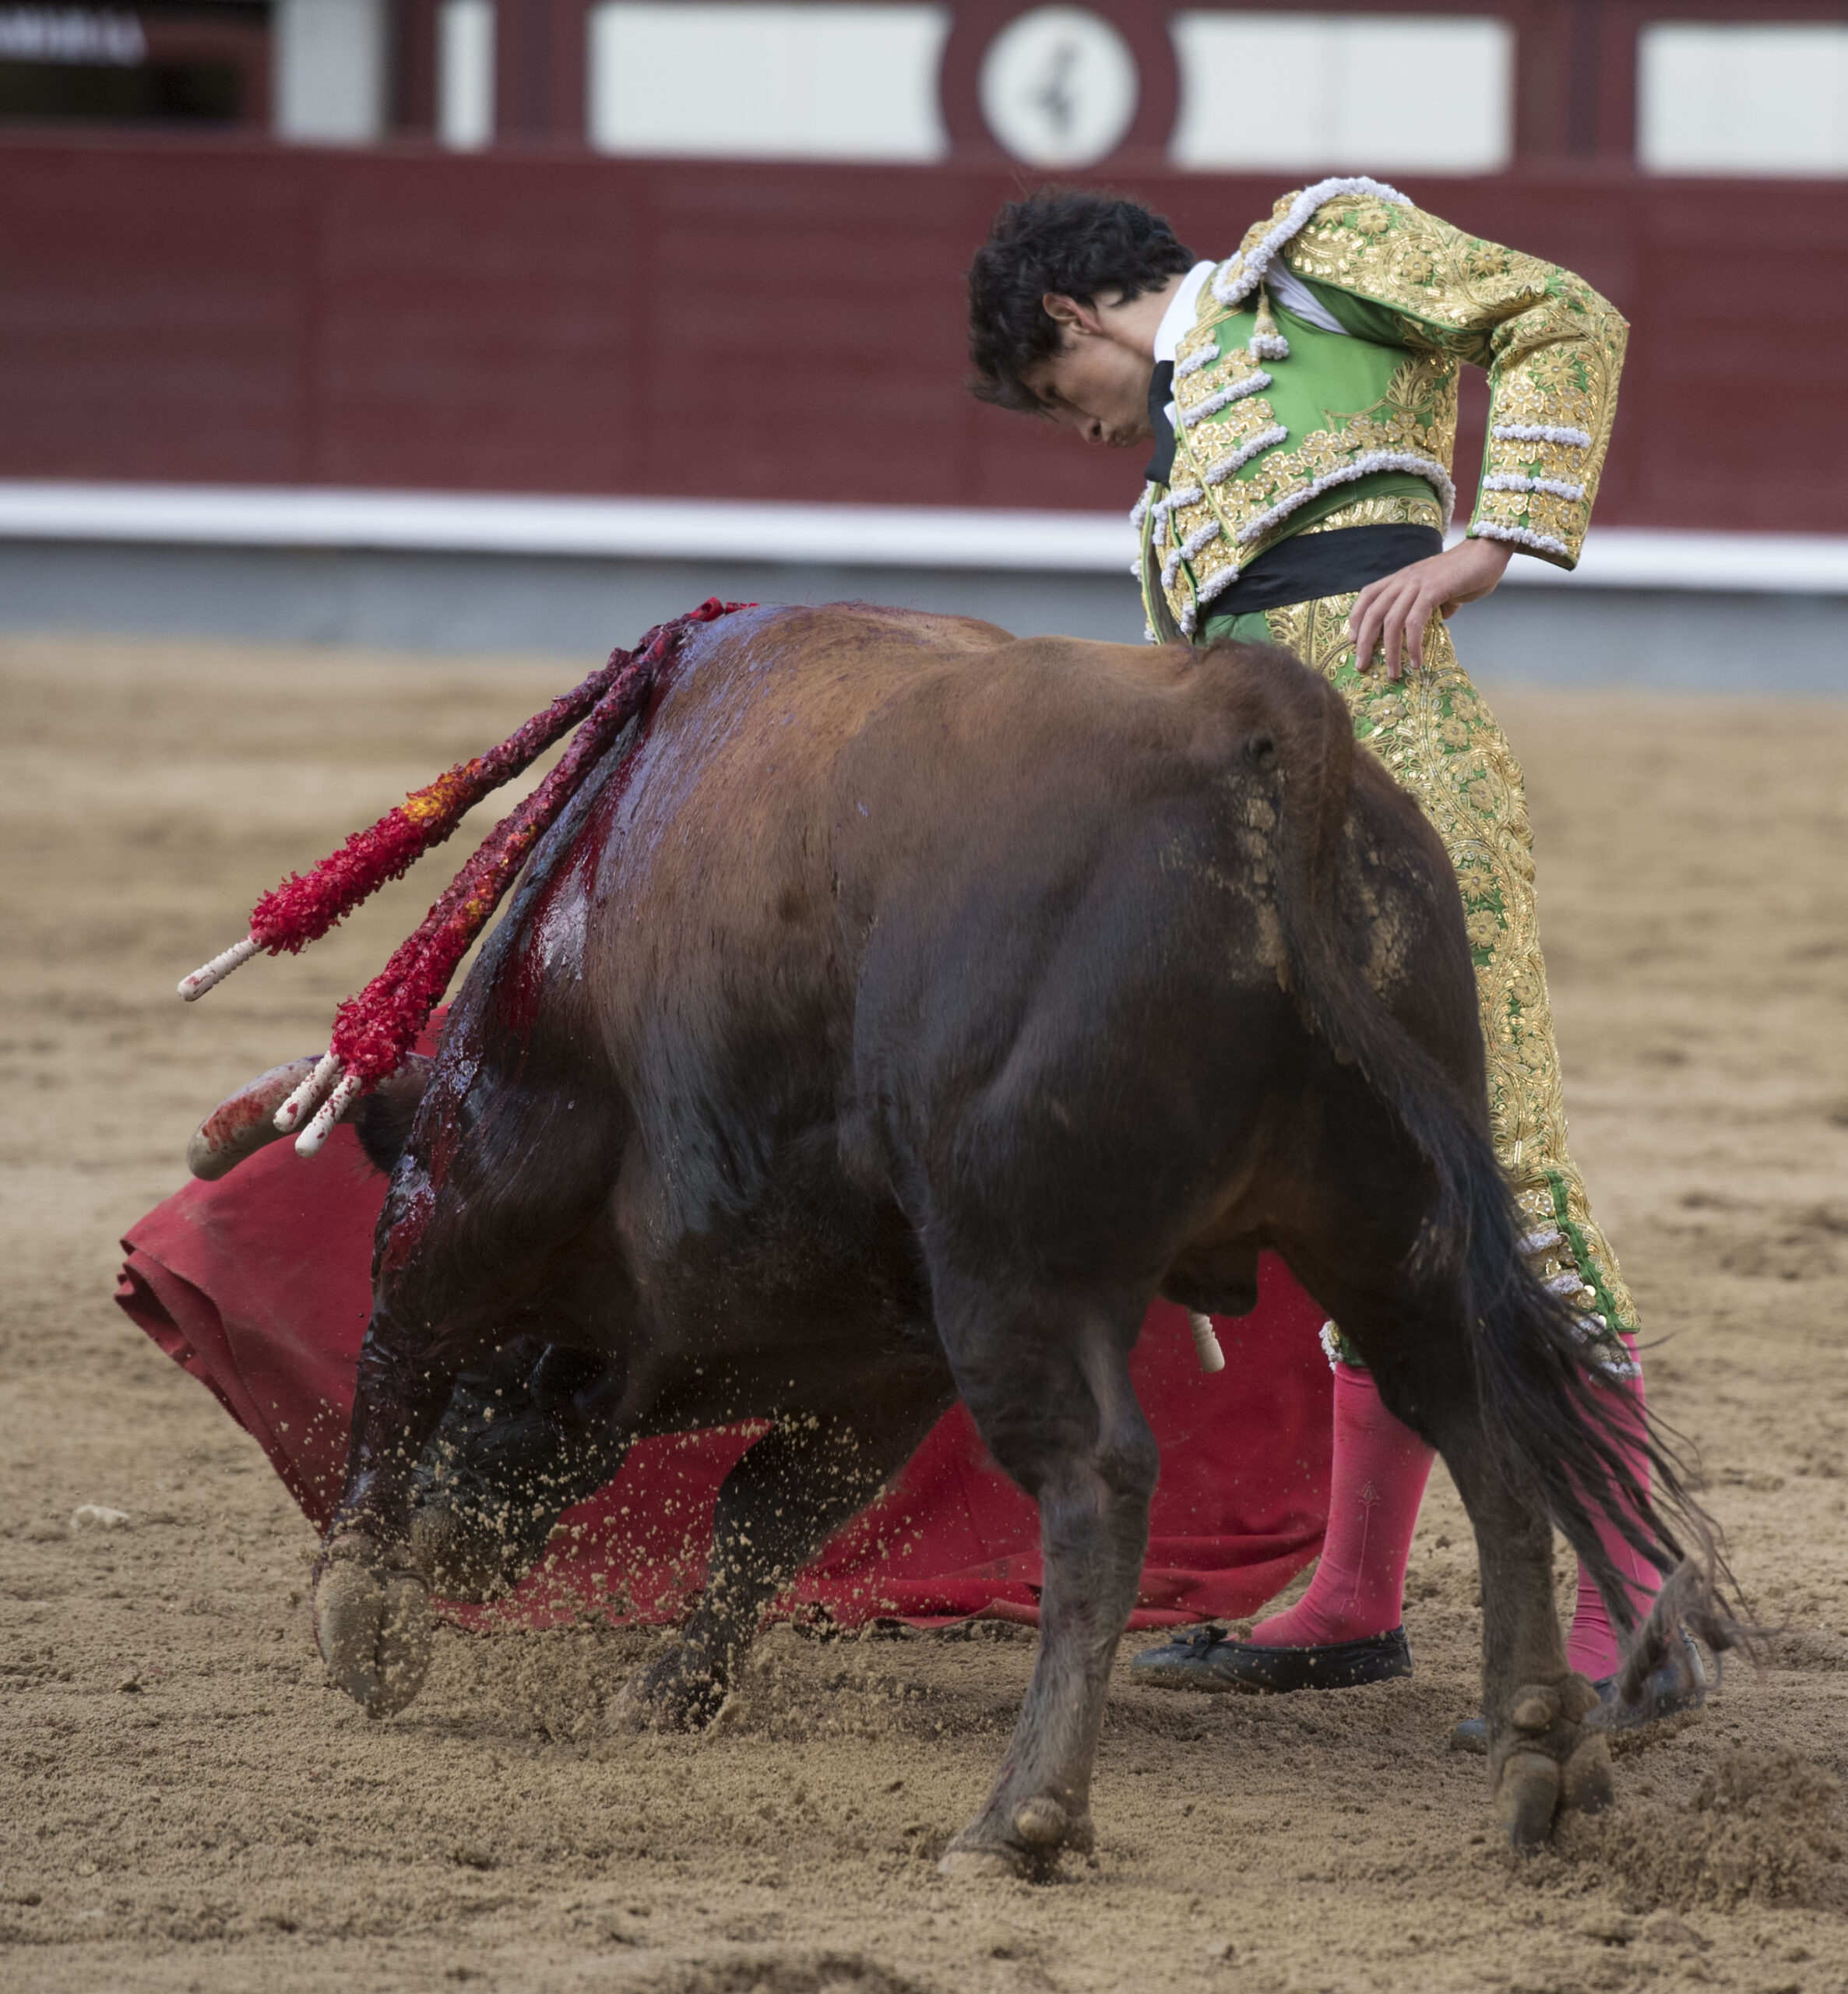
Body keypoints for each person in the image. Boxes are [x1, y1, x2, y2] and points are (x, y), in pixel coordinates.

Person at [965, 178, 1702, 1728]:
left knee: (1490, 1158)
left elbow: (1560, 311)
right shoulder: (1165, 497)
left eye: (1060, 399)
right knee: (1337, 1179)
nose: (1090, 434)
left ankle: (1634, 1594)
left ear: (1069, 314)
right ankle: (1357, 1597)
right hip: (1226, 821)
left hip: (1398, 773)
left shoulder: (1309, 260)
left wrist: (1487, 538)